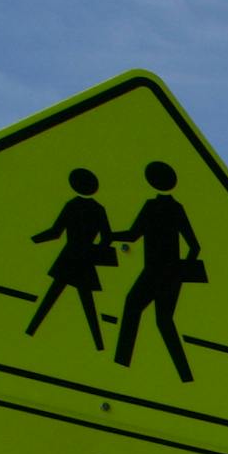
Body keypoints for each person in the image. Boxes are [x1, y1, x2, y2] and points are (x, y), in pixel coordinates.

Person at [111, 160, 202, 382]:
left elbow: (133, 235)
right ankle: (186, 376)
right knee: (163, 320)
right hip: (172, 275)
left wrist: (109, 236)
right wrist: (181, 270)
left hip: (153, 271)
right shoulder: (177, 208)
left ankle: (121, 363)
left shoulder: (152, 207)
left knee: (132, 306)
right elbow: (194, 246)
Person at [24, 168, 114, 349]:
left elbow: (55, 232)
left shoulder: (73, 205)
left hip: (70, 256)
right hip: (85, 258)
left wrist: (31, 241)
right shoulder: (98, 209)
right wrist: (95, 250)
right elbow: (107, 237)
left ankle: (30, 331)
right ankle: (99, 345)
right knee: (87, 303)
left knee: (52, 296)